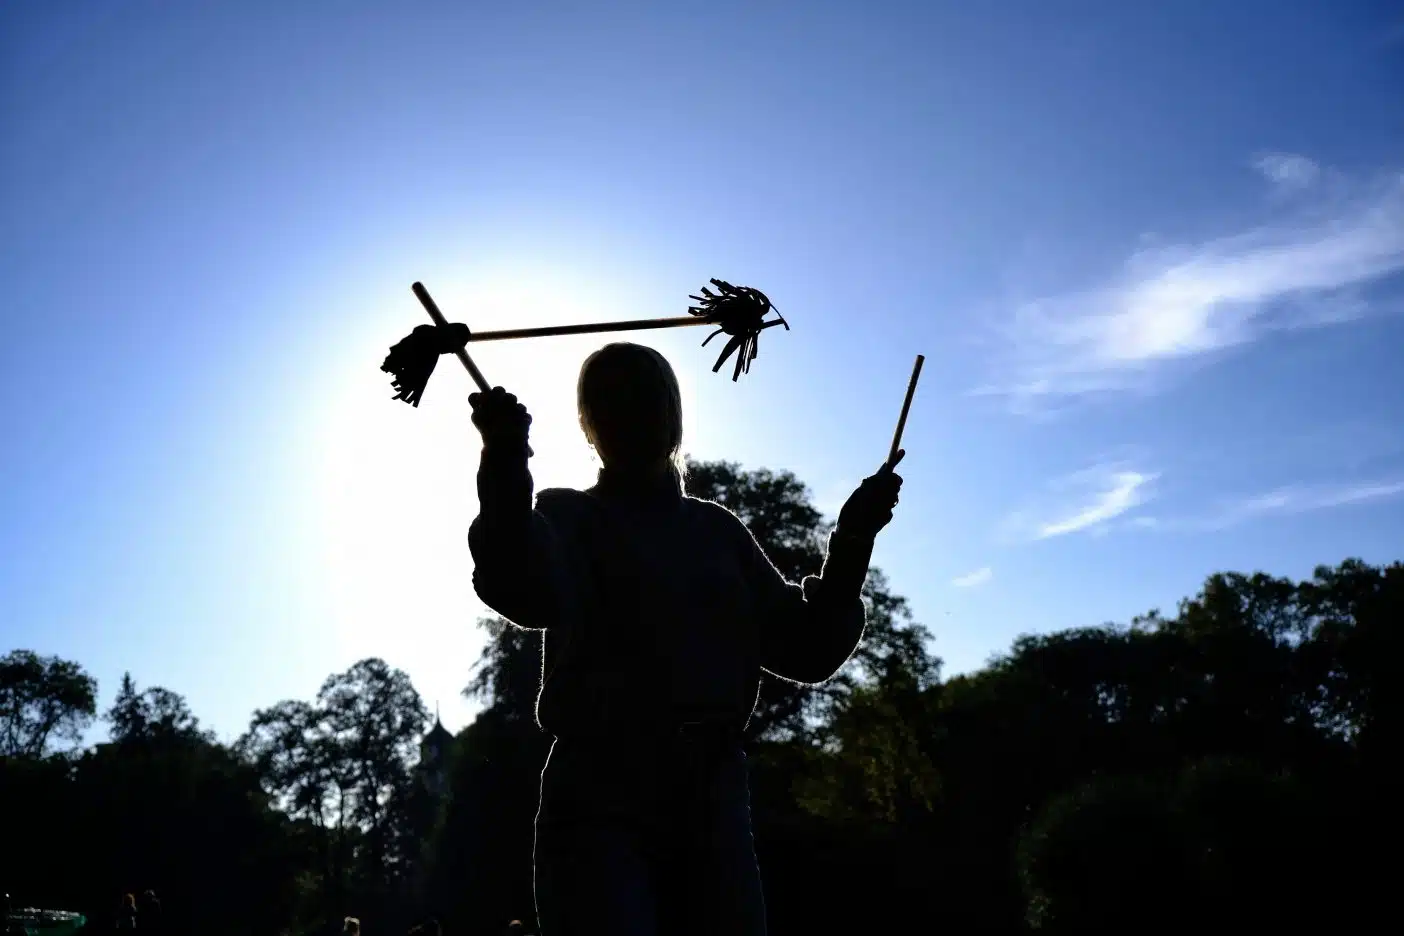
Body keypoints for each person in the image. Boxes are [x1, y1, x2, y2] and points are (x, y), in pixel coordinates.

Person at [468, 342, 904, 936]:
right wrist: (504, 459)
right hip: (600, 794)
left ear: (675, 413)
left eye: (646, 396)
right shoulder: (568, 519)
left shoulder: (717, 532)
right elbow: (520, 587)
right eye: (611, 401)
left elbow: (807, 649)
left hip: (711, 798)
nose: (632, 412)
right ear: (588, 426)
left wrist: (852, 541)